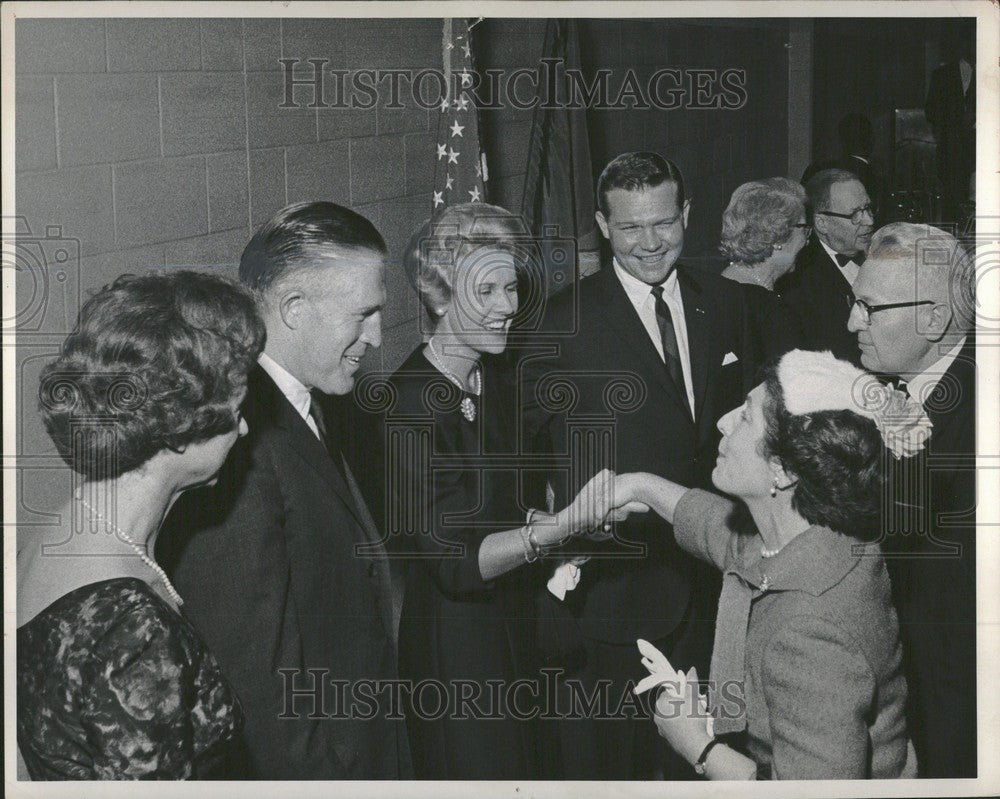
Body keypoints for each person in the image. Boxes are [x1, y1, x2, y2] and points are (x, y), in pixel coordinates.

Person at [518, 152, 766, 779]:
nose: (650, 243)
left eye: (664, 223)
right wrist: (553, 539)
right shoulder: (559, 321)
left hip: (720, 590)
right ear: (602, 225)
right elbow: (519, 454)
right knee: (616, 773)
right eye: (630, 228)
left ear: (687, 214)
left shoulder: (730, 302)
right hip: (614, 602)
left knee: (710, 760)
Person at [157, 202, 410, 779]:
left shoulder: (312, 403)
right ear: (294, 309)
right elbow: (256, 678)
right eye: (363, 314)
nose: (376, 336)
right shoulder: (235, 440)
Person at [383, 204, 633, 779]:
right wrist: (561, 526)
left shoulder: (490, 378)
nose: (508, 307)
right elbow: (455, 564)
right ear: (440, 297)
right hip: (459, 651)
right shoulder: (409, 404)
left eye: (511, 286)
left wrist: (573, 527)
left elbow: (496, 503)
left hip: (514, 625)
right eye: (486, 290)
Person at [614, 349, 923, 779]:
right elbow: (720, 534)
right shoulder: (818, 538)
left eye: (744, 416)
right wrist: (639, 487)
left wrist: (696, 745)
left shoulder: (810, 633)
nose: (723, 422)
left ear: (782, 470)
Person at [18, 271, 265, 779]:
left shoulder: (58, 535)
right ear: (177, 429)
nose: (243, 429)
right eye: (236, 412)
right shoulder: (129, 627)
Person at [848, 222, 976, 777]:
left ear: (933, 318)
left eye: (868, 307)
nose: (852, 321)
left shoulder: (977, 422)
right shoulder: (907, 386)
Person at [776, 168, 874, 366]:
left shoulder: (883, 256)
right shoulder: (798, 281)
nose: (869, 221)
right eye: (855, 214)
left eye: (868, 209)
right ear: (822, 223)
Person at [718, 177, 808, 359]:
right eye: (804, 228)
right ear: (778, 236)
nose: (807, 240)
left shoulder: (718, 287)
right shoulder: (774, 314)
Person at [925, 23, 975, 223]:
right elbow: (931, 111)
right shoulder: (942, 74)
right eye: (971, 40)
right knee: (952, 207)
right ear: (963, 43)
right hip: (953, 153)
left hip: (985, 150)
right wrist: (957, 121)